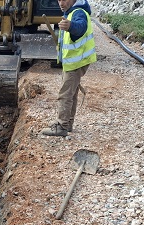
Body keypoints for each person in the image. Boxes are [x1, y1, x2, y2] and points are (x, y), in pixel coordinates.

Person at [42, 0, 96, 137]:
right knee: (72, 93)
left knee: (65, 93)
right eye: (59, 0)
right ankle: (68, 123)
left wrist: (71, 26)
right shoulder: (71, 12)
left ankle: (61, 126)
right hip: (75, 61)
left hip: (76, 62)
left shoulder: (78, 13)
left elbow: (80, 27)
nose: (61, 3)